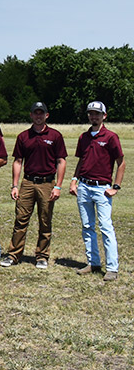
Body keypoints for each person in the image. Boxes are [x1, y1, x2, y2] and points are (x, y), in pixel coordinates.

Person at [1, 102, 67, 269]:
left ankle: (42, 256)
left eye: (41, 113)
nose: (38, 116)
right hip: (28, 182)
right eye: (35, 113)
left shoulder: (55, 136)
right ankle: (14, 255)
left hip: (47, 183)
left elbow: (61, 161)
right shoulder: (23, 136)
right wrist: (15, 185)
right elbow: (18, 161)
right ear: (31, 115)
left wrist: (58, 186)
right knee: (20, 220)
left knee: (45, 221)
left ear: (47, 115)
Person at [69, 101, 125, 281]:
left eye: (97, 114)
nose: (94, 117)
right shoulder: (83, 137)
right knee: (87, 227)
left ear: (104, 116)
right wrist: (74, 180)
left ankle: (112, 268)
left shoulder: (110, 137)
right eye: (91, 114)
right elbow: (81, 161)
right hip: (84, 186)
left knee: (106, 227)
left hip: (102, 188)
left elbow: (121, 162)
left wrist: (115, 186)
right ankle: (93, 263)